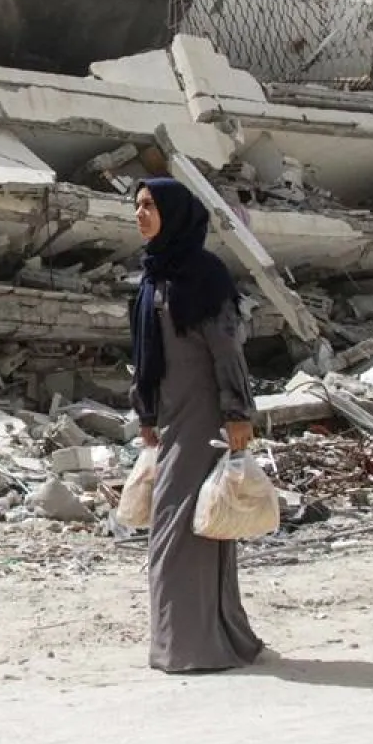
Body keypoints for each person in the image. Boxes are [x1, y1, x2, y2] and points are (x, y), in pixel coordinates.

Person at [129, 176, 264, 673]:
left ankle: (188, 648)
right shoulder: (152, 276)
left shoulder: (204, 275)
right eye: (137, 206)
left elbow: (226, 347)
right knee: (200, 526)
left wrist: (236, 414)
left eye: (149, 206)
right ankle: (218, 639)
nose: (140, 214)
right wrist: (145, 413)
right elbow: (146, 355)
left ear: (174, 212)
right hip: (172, 415)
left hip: (205, 415)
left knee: (178, 528)